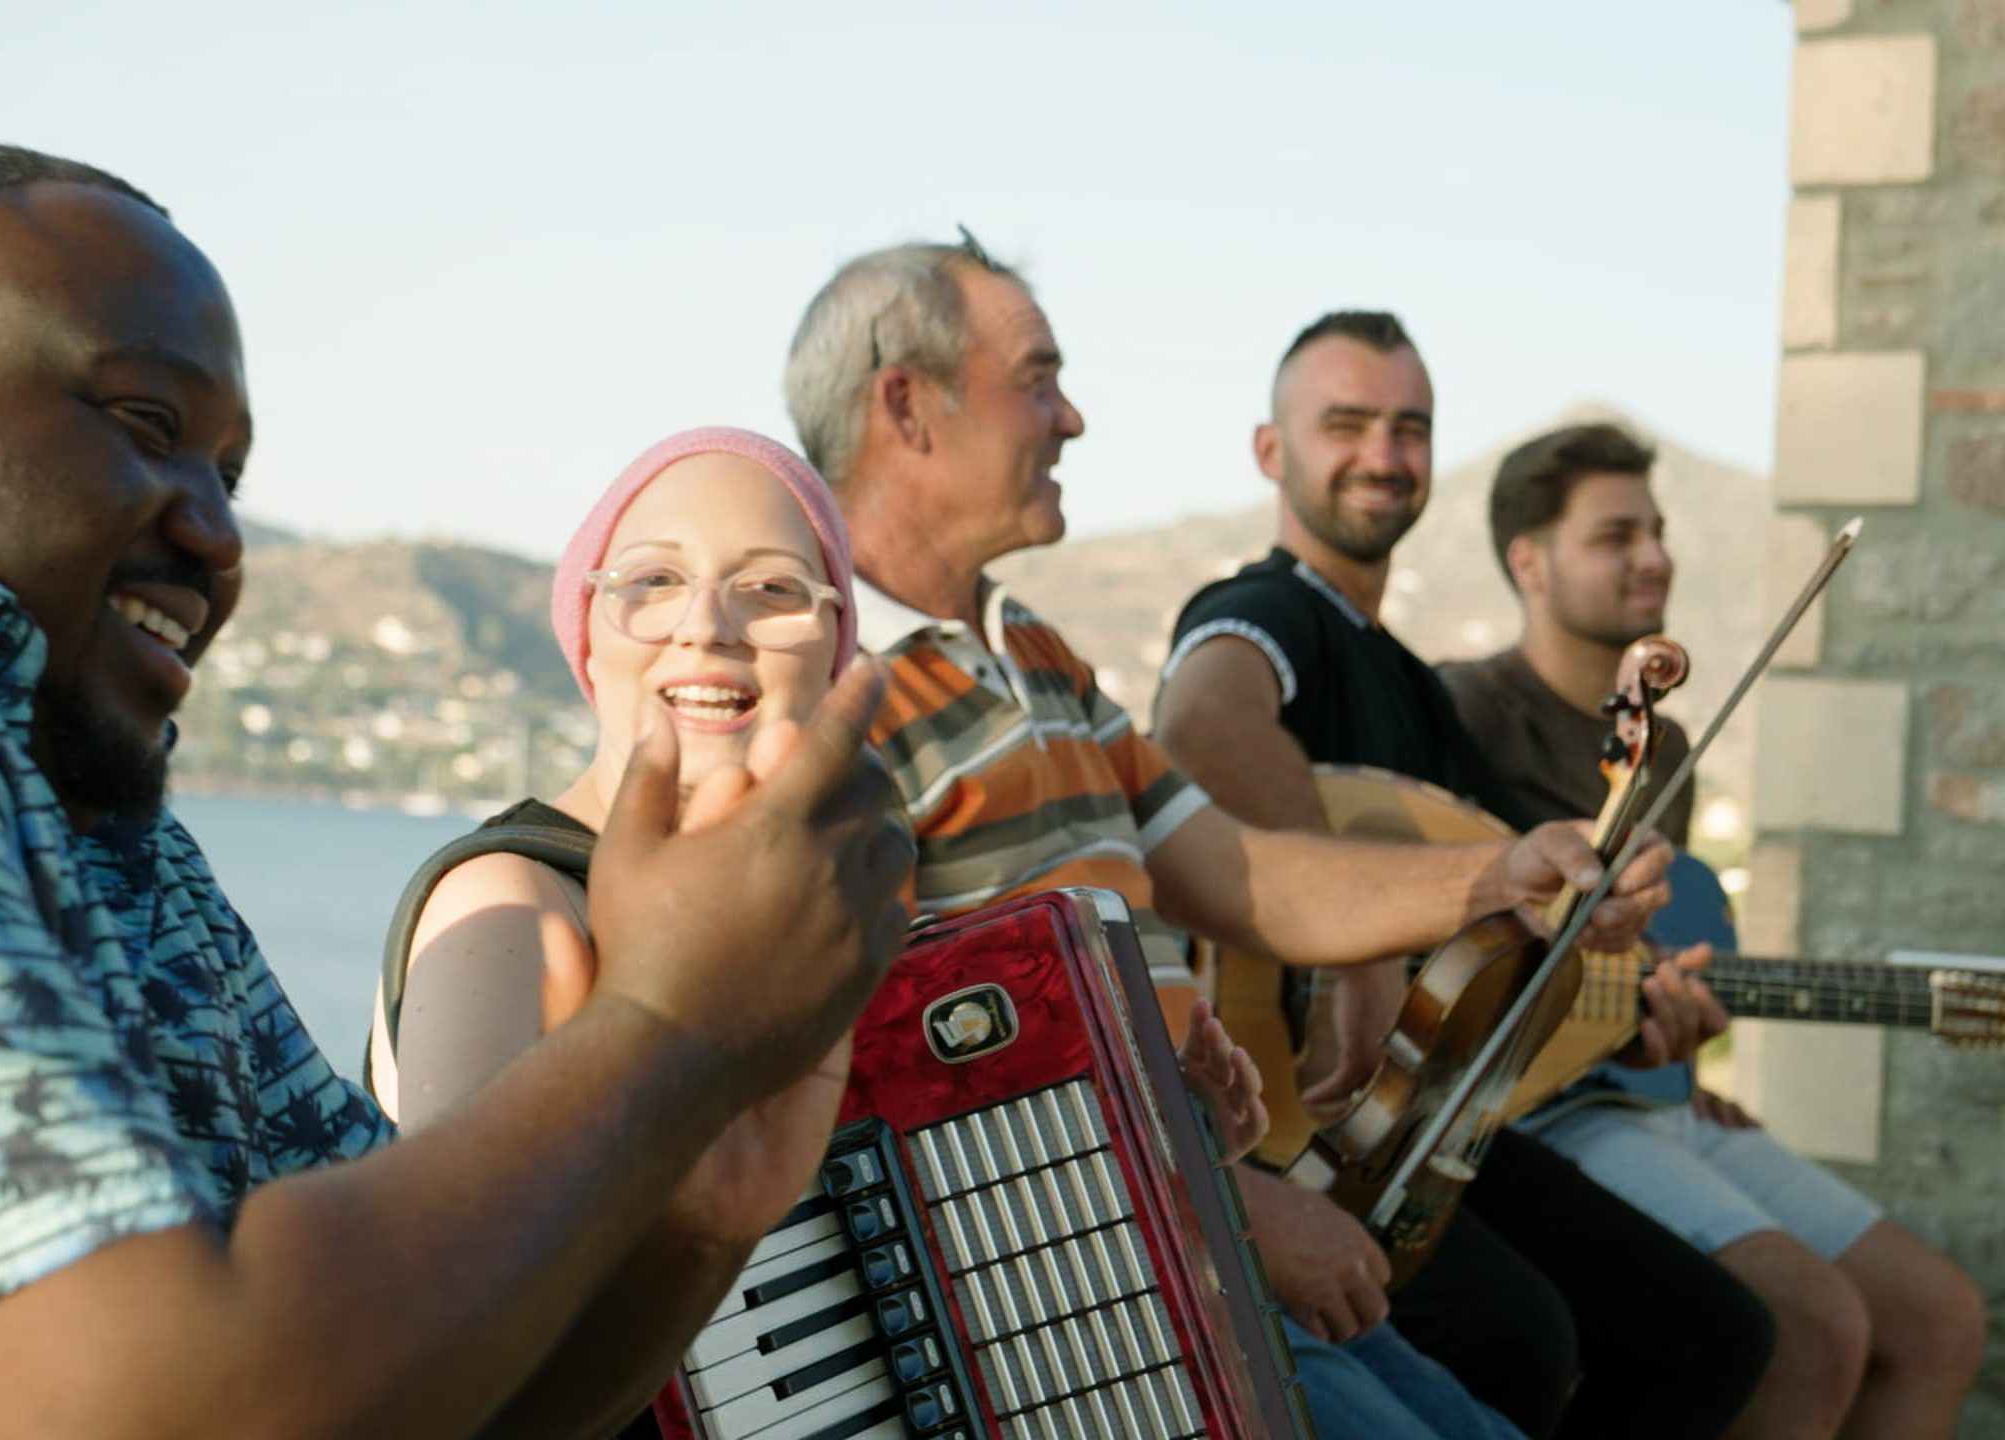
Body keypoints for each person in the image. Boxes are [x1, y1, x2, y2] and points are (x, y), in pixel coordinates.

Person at [0, 142, 914, 1440]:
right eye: (149, 426)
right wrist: (667, 1031)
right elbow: (126, 1410)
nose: (220, 538)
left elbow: (432, 1390)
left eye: (230, 469)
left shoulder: (37, 733)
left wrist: (700, 1188)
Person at [782, 238, 1673, 1439]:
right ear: (906, 403)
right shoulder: (823, 689)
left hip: (1184, 1230)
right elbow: (890, 1072)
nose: (1074, 417)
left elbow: (1233, 871)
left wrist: (1498, 873)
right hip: (1077, 1303)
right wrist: (1232, 1206)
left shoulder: (1034, 651)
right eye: (1037, 378)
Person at [367, 426, 1270, 1436]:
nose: (706, 626)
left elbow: (944, 1256)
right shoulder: (507, 907)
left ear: (836, 653)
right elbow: (444, 1357)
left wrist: (1154, 1148)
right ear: (589, 629)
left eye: (771, 589)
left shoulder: (836, 920)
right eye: (653, 580)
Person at [1152, 310, 1779, 1438]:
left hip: (1414, 1121)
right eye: (1345, 424)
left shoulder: (1414, 688)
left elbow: (1475, 945)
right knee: (1516, 1337)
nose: (1384, 456)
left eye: (1410, 428)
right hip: (1299, 1123)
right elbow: (1201, 726)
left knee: (1715, 1333)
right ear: (1268, 451)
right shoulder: (1266, 609)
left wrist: (1613, 1011)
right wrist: (1349, 958)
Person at [1440, 422, 1989, 1440]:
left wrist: (1677, 1047)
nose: (1652, 556)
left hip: (1636, 1097)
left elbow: (1650, 964)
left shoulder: (1670, 746)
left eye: (1654, 529)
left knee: (1940, 1317)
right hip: (1531, 1117)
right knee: (1813, 1325)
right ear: (1529, 561)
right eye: (1615, 536)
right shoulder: (1461, 713)